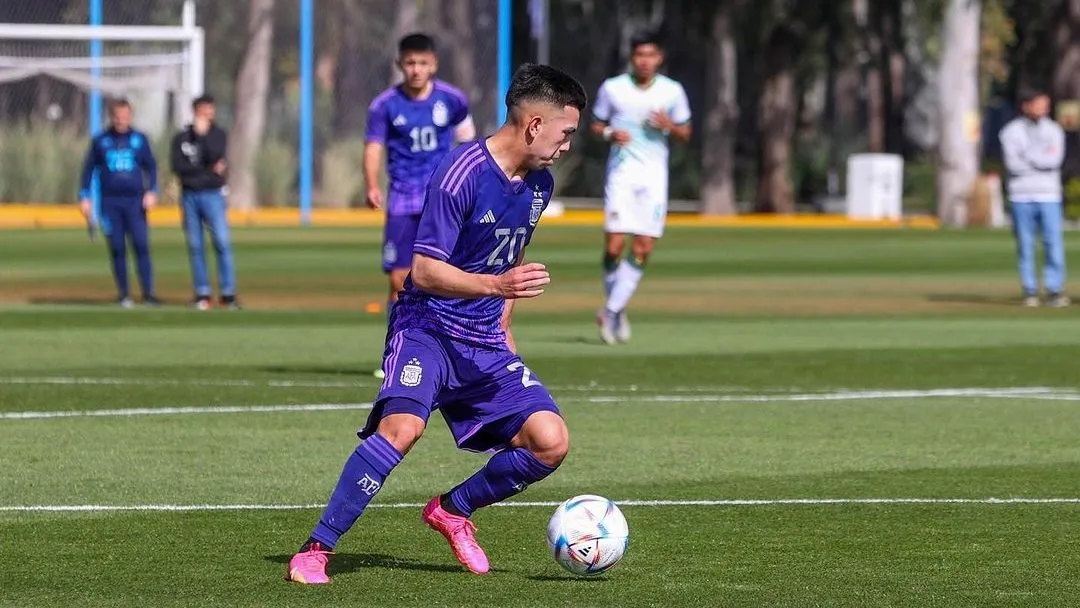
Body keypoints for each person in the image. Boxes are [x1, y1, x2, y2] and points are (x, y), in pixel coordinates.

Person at [286, 63, 587, 584]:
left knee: (550, 440)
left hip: (483, 336)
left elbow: (508, 261)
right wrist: (496, 288)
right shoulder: (460, 174)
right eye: (566, 133)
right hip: (426, 326)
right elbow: (423, 271)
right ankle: (315, 550)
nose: (567, 146)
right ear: (535, 124)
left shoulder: (539, 185)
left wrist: (504, 319)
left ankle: (453, 511)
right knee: (402, 429)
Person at [365, 33, 475, 377]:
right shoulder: (384, 105)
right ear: (400, 64)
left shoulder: (453, 100)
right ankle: (395, 352)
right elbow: (373, 148)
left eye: (423, 63)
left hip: (443, 201)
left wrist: (472, 185)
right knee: (399, 280)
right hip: (401, 199)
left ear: (434, 64)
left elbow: (468, 144)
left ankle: (450, 349)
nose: (416, 69)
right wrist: (371, 184)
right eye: (410, 63)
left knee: (450, 276)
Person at [590, 32, 692, 343]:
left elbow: (685, 133)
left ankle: (611, 309)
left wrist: (669, 126)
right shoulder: (613, 88)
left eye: (650, 55)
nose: (645, 61)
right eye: (639, 55)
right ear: (631, 58)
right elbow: (595, 123)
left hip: (653, 178)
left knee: (644, 246)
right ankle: (615, 309)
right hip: (621, 174)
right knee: (614, 246)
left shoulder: (672, 91)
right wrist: (609, 134)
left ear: (659, 58)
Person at [79, 98, 160, 308]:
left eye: (125, 116)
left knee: (141, 245)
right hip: (109, 202)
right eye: (117, 116)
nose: (121, 120)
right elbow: (88, 169)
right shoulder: (101, 141)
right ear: (112, 117)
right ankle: (124, 294)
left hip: (135, 201)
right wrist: (84, 196)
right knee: (117, 247)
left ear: (130, 116)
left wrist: (152, 191)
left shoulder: (139, 139)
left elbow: (151, 167)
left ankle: (149, 294)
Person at [1000, 88, 1070, 308]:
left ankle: (1054, 289)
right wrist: (1038, 159)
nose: (1043, 109)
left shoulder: (1054, 130)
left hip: (1049, 195)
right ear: (1026, 105)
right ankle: (1029, 290)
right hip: (1021, 196)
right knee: (1025, 244)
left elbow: (1053, 160)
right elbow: (1013, 164)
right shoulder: (1011, 132)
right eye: (1039, 104)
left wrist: (1028, 156)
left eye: (1045, 105)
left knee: (1053, 243)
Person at [170, 94, 239, 310]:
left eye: (211, 110)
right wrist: (205, 170)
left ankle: (228, 293)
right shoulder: (181, 138)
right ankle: (202, 293)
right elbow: (179, 167)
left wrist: (203, 137)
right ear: (196, 111)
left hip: (213, 194)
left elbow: (216, 156)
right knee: (195, 245)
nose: (208, 114)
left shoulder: (218, 135)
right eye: (204, 109)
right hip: (189, 195)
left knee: (222, 242)